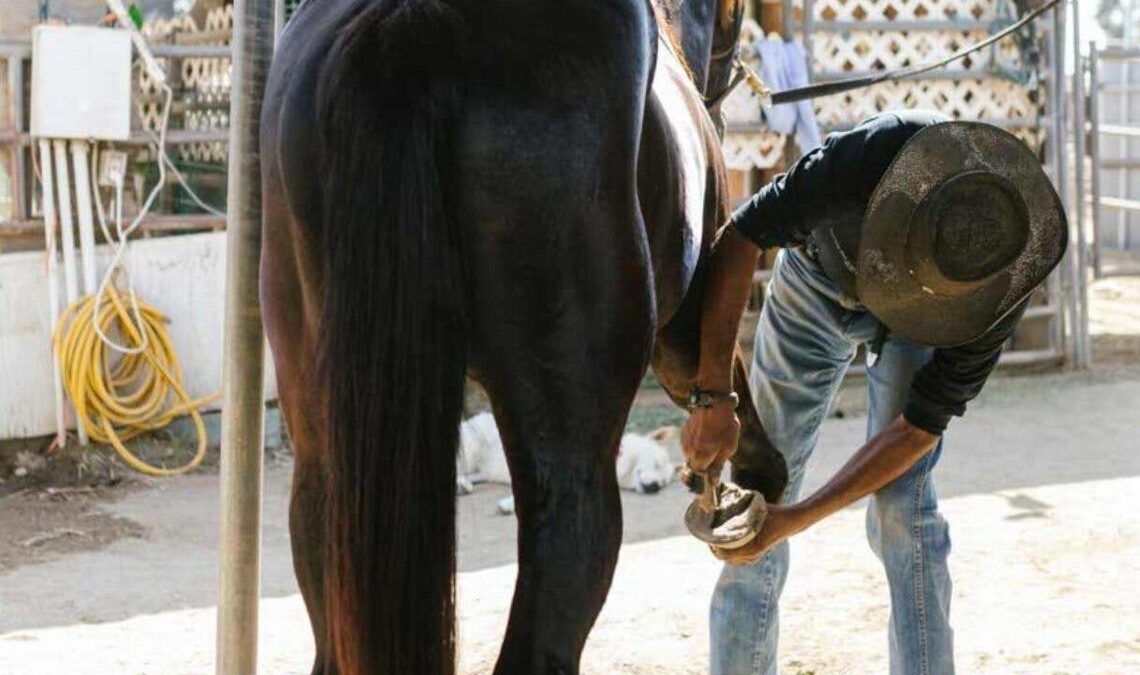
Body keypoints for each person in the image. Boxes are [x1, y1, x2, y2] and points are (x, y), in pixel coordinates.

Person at [680, 110, 1067, 675]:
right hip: (818, 282)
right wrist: (714, 396)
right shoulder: (864, 159)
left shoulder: (998, 283)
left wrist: (803, 517)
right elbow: (741, 237)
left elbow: (916, 430)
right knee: (761, 485)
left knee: (903, 509)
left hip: (930, 326)